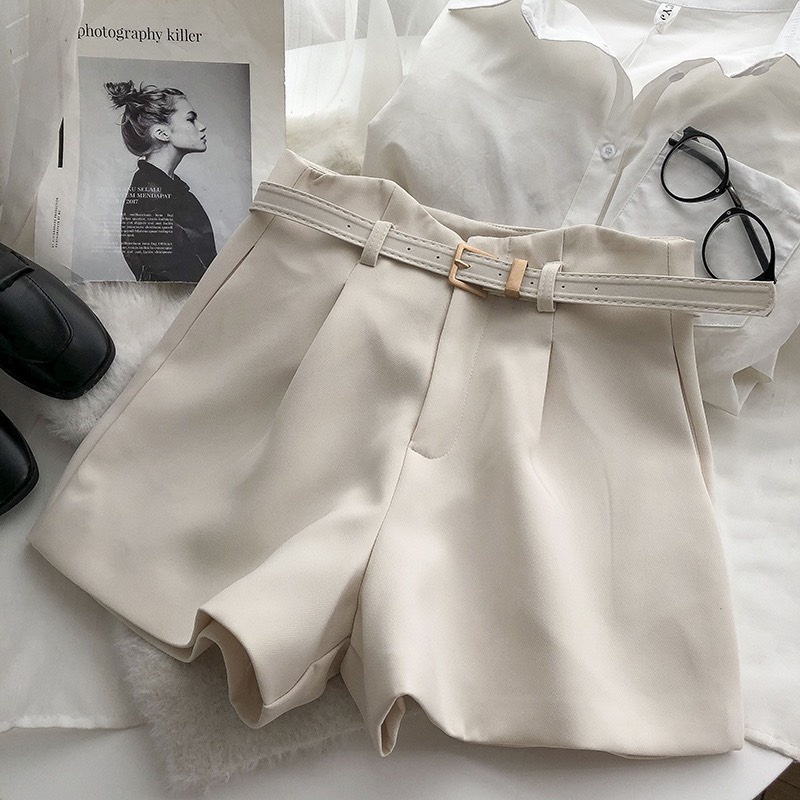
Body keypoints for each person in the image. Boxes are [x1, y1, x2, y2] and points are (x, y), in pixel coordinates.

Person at [105, 80, 217, 281]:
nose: (202, 126)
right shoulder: (151, 198)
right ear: (162, 133)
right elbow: (174, 281)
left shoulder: (167, 190)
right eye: (191, 119)